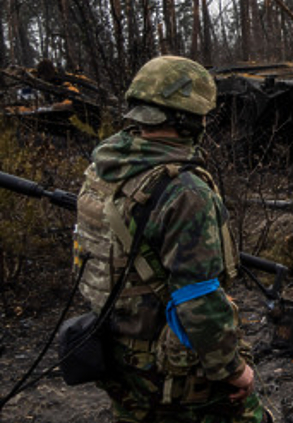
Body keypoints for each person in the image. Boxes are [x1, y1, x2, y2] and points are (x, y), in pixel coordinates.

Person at [73, 56, 266, 422]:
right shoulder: (184, 191)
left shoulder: (105, 168)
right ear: (189, 119)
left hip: (116, 358)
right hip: (172, 375)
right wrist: (232, 369)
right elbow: (198, 298)